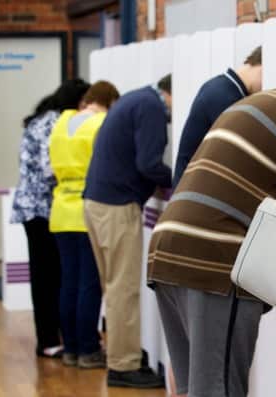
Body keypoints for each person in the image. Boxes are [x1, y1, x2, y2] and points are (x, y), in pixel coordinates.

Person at [147, 84, 276, 397]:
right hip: (215, 262)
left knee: (193, 389)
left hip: (167, 252)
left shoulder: (258, 105)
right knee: (219, 389)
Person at [83, 74, 172, 388]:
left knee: (114, 287)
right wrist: (177, 179)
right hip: (116, 206)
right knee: (123, 289)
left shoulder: (135, 99)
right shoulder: (151, 107)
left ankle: (122, 356)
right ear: (170, 94)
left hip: (97, 202)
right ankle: (124, 365)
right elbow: (149, 163)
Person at [11, 78, 91, 359]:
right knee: (46, 276)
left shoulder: (45, 119)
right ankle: (47, 340)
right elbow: (51, 167)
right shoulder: (53, 123)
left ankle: (50, 336)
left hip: (37, 208)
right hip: (41, 209)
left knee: (49, 274)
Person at [49, 81, 120, 368]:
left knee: (68, 283)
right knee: (89, 284)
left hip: (60, 210)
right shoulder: (101, 123)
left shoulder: (61, 122)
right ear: (109, 102)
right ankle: (88, 349)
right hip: (87, 209)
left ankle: (70, 348)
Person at [173, 46, 263, 186]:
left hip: (190, 187)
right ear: (260, 67)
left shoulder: (220, 86)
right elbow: (239, 152)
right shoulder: (225, 97)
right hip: (194, 190)